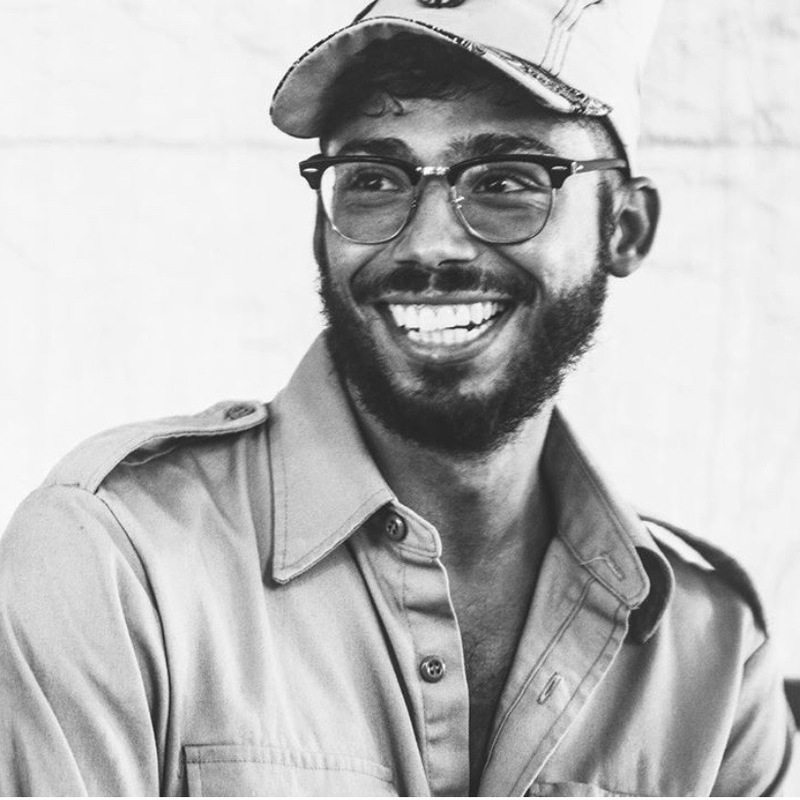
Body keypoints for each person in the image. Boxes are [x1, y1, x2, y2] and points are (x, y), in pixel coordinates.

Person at [0, 0, 795, 795]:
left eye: (507, 181)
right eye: (375, 181)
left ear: (624, 228)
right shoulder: (118, 563)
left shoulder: (715, 660)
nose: (429, 244)